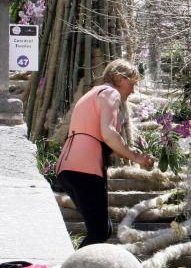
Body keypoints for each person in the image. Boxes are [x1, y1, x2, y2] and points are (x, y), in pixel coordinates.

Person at [55, 60, 155, 247]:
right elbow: (108, 134)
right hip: (85, 169)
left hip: (68, 168)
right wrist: (136, 158)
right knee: (100, 232)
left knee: (102, 230)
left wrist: (129, 153)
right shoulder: (110, 93)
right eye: (132, 83)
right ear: (119, 77)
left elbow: (100, 137)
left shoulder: (92, 93)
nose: (132, 90)